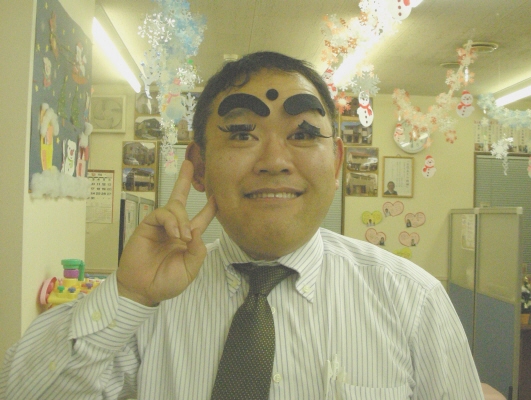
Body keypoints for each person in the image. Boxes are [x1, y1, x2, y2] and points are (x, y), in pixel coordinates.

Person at [1, 52, 483, 399]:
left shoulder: (412, 301)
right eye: (240, 134)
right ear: (199, 166)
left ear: (337, 161)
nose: (274, 160)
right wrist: (129, 296)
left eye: (303, 133)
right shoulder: (151, 305)